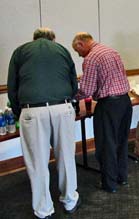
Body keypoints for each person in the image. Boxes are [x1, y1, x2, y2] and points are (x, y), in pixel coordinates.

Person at [7, 28, 80, 219]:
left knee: (37, 162)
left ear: (34, 38)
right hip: (63, 107)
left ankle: (43, 210)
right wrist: (68, 102)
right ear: (52, 38)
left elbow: (12, 87)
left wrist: (19, 112)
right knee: (66, 157)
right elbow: (74, 83)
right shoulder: (62, 50)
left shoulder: (20, 51)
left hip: (33, 110)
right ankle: (70, 200)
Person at [72, 32, 132, 193]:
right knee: (121, 141)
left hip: (109, 105)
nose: (79, 55)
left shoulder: (91, 58)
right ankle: (122, 177)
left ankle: (109, 184)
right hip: (125, 102)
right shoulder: (112, 51)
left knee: (107, 145)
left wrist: (70, 95)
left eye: (78, 51)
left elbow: (86, 89)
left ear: (81, 44)